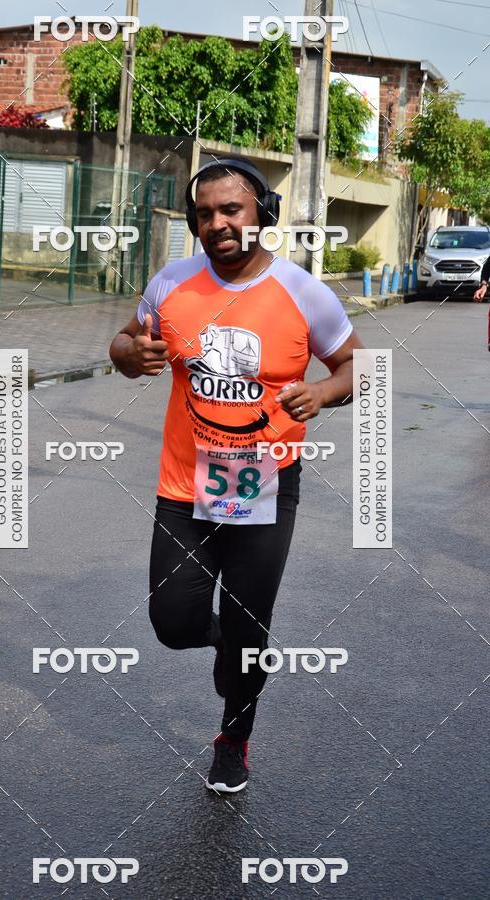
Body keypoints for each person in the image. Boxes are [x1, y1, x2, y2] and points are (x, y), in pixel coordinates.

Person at [109, 158, 364, 793]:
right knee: (172, 623)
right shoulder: (170, 283)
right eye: (205, 214)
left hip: (266, 489)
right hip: (183, 486)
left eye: (232, 210)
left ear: (262, 215)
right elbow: (121, 341)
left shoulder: (305, 293)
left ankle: (234, 739)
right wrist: (128, 354)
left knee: (251, 629)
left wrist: (326, 391)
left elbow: (360, 368)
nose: (218, 224)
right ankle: (222, 646)